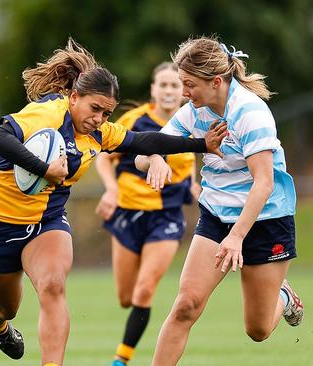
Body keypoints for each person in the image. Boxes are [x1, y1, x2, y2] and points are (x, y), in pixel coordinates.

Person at [0, 38, 227, 366]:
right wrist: (44, 168)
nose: (99, 118)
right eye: (94, 109)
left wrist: (202, 143)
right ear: (74, 97)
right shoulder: (47, 114)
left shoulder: (100, 133)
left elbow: (142, 140)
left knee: (52, 285)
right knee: (5, 306)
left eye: (106, 112)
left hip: (45, 221)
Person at [136, 36, 305, 366]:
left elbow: (264, 183)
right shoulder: (194, 112)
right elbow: (146, 152)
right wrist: (156, 156)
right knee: (186, 305)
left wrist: (238, 236)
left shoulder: (250, 114)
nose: (184, 93)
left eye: (189, 85)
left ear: (216, 82)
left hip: (265, 220)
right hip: (216, 217)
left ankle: (283, 296)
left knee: (257, 330)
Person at [94, 62, 200, 366]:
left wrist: (194, 187)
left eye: (175, 85)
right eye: (163, 85)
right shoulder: (135, 119)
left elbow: (189, 164)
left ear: (183, 91)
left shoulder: (192, 122)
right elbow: (104, 157)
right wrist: (111, 190)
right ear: (153, 90)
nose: (169, 90)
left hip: (166, 217)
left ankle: (121, 358)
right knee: (126, 297)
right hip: (128, 212)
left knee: (144, 290)